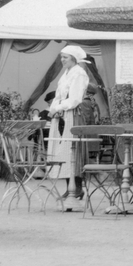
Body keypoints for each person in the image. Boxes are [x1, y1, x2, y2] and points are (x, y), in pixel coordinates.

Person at [46, 45, 91, 211]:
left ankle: (77, 189)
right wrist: (52, 109)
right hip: (62, 115)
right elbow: (58, 95)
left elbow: (74, 99)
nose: (62, 60)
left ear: (74, 58)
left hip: (72, 114)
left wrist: (58, 108)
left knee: (72, 149)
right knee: (63, 151)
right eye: (61, 57)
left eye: (65, 57)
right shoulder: (66, 74)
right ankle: (70, 188)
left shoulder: (79, 73)